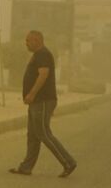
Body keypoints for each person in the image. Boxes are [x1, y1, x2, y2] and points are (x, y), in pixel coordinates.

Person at [10, 30, 77, 177]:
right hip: (37, 102)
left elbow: (44, 74)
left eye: (29, 41)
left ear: (37, 40)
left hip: (43, 101)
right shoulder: (38, 55)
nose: (26, 43)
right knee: (33, 135)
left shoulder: (43, 54)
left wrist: (32, 93)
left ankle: (68, 162)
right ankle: (26, 167)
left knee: (44, 133)